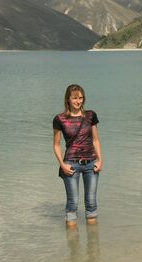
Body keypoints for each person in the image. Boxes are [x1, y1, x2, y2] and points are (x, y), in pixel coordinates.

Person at [53, 84, 103, 227]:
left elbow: (96, 140)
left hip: (91, 163)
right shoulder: (59, 119)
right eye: (75, 98)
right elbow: (56, 145)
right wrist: (62, 165)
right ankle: (73, 246)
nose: (78, 101)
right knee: (72, 203)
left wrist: (100, 161)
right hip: (70, 165)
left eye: (81, 98)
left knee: (91, 203)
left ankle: (93, 246)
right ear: (68, 99)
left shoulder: (91, 115)